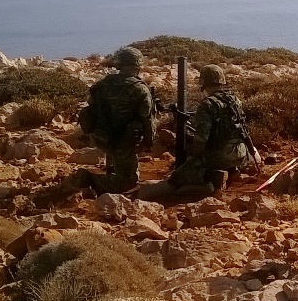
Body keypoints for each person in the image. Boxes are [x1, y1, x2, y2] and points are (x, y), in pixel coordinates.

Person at [139, 64, 259, 201]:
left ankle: (209, 183)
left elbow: (201, 139)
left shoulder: (207, 104)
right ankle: (231, 171)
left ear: (204, 82)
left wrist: (193, 159)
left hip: (219, 157)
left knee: (177, 178)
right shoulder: (234, 100)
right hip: (240, 153)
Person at [74, 46, 157, 194]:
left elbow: (92, 106)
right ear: (138, 65)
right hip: (123, 140)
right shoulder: (139, 88)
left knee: (114, 159)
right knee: (128, 183)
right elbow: (147, 119)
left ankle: (111, 173)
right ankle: (89, 179)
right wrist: (148, 142)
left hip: (101, 137)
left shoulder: (103, 83)